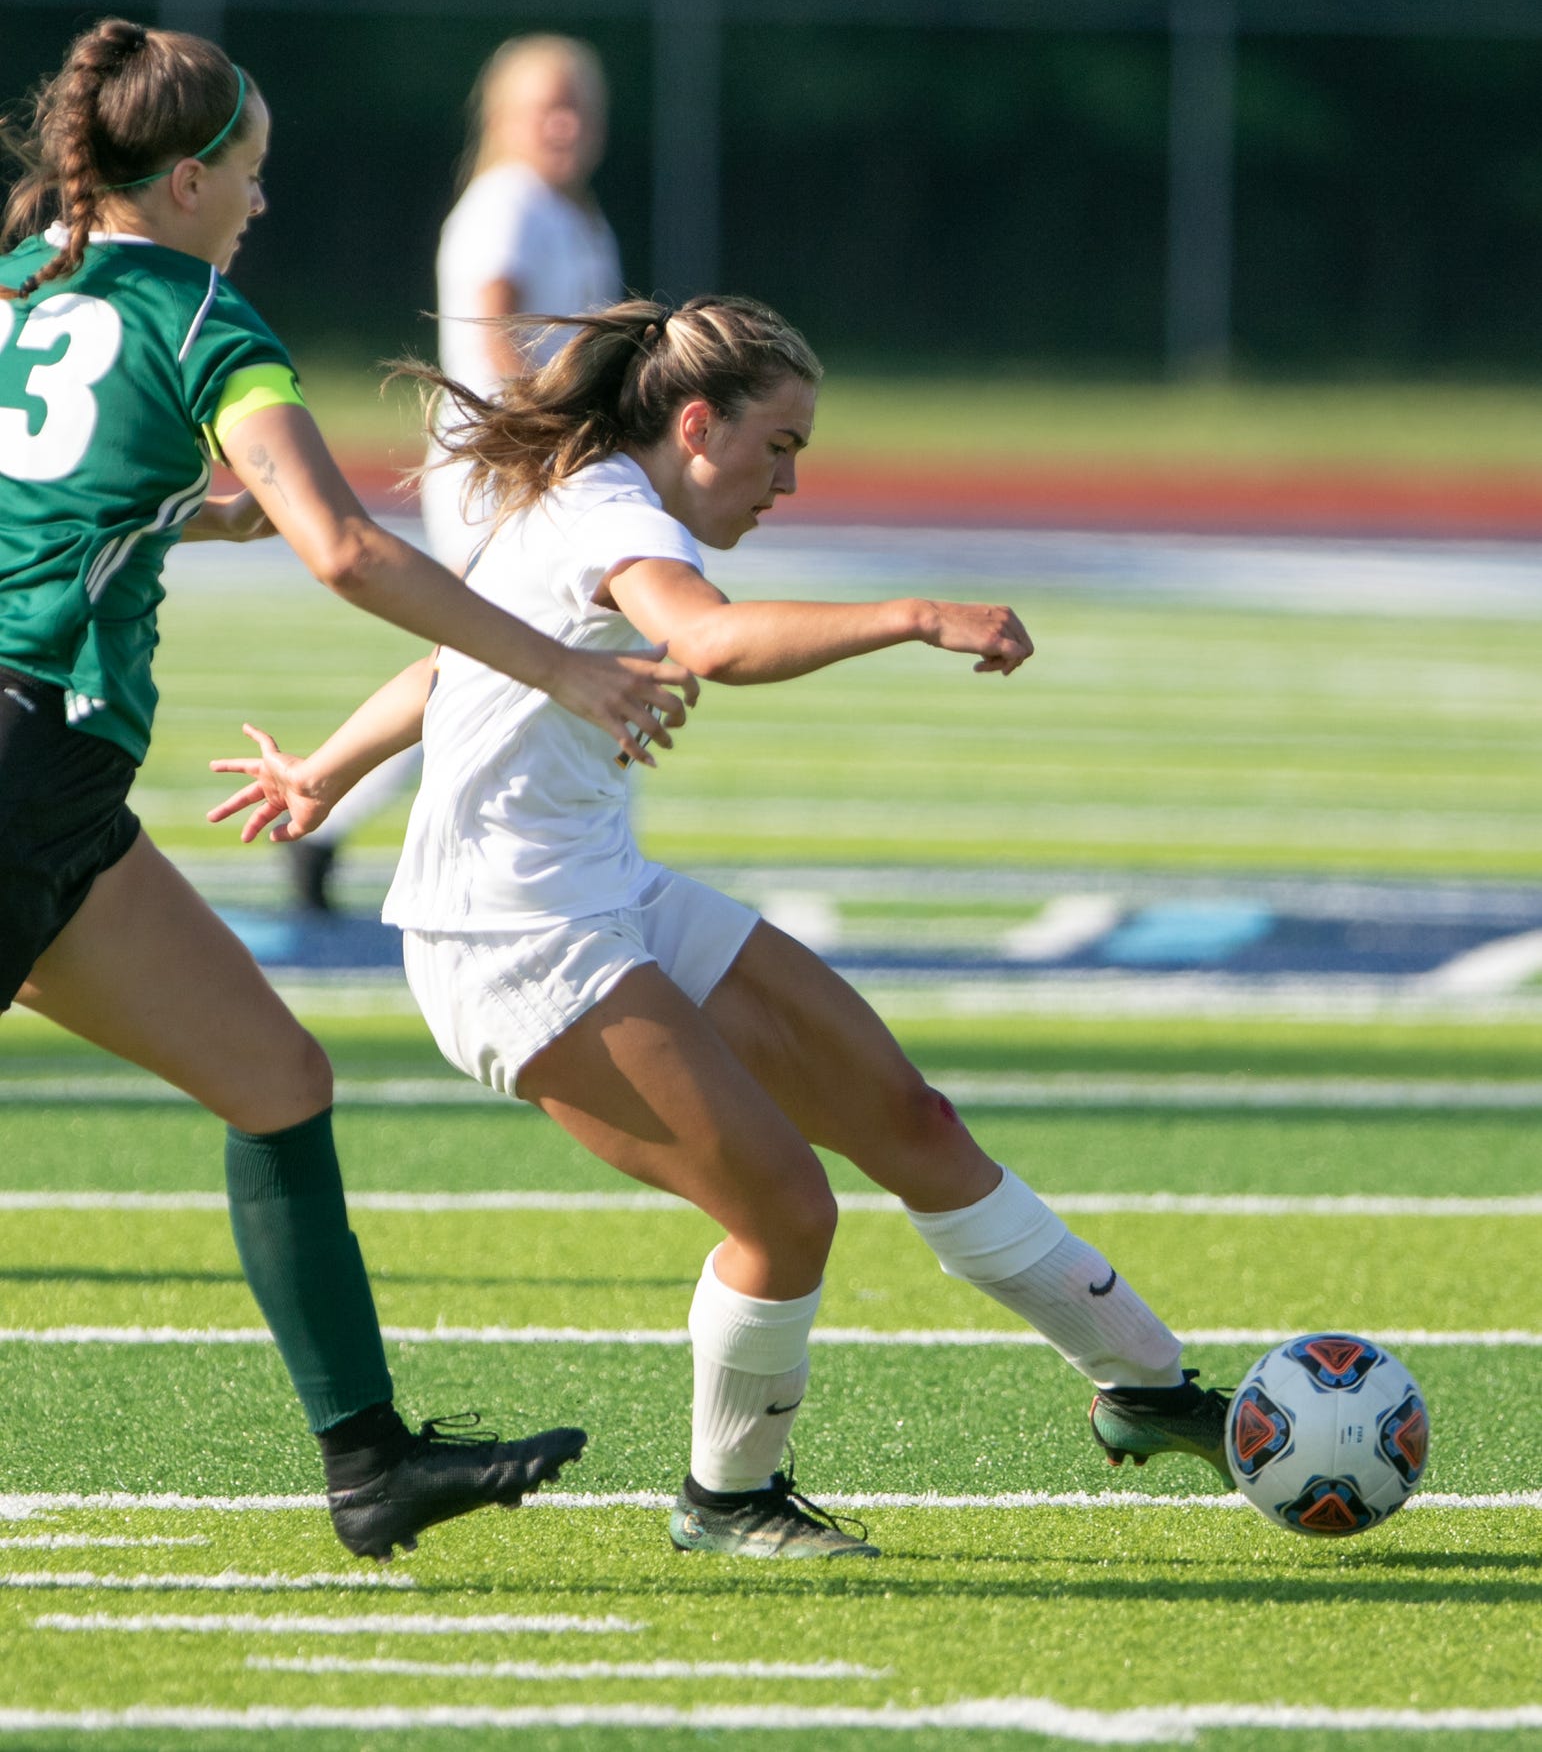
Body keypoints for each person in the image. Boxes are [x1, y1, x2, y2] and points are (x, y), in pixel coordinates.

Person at [211, 295, 1234, 1561]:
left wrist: (324, 773)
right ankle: (728, 1500)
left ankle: (1145, 1381)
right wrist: (917, 616)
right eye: (780, 446)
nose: (789, 482)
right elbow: (709, 640)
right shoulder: (609, 513)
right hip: (510, 941)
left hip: (609, 894)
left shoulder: (584, 498)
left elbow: (450, 668)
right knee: (788, 1212)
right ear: (695, 423)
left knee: (912, 1123)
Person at [0, 19, 697, 1562]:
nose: (260, 205)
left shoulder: (24, 284)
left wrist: (199, 511)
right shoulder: (204, 318)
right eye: (248, 178)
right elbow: (351, 551)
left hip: (53, 788)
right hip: (27, 752)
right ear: (183, 180)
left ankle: (369, 1465)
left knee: (276, 1082)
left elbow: (58, 490)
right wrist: (561, 663)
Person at [291, 34, 622, 915]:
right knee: (509, 659)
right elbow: (495, 335)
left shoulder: (574, 213)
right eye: (545, 105)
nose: (564, 123)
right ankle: (345, 818)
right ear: (505, 117)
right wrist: (554, 450)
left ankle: (333, 819)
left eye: (578, 105)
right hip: (503, 469)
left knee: (510, 661)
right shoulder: (509, 203)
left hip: (531, 464)